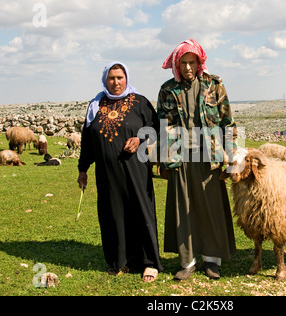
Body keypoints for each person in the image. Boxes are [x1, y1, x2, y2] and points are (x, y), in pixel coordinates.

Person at [157, 39, 237, 281]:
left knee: (210, 208)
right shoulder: (167, 89)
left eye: (192, 62)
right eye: (183, 62)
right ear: (176, 64)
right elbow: (163, 126)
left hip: (210, 158)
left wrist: (233, 159)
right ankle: (187, 261)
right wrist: (163, 160)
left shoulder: (214, 86)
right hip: (180, 157)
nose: (188, 67)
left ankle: (212, 260)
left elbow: (227, 123)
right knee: (184, 209)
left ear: (200, 61)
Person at [77, 61, 163, 282]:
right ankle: (119, 261)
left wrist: (139, 138)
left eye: (120, 78)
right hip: (107, 174)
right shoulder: (96, 105)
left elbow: (156, 128)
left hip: (136, 170)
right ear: (105, 80)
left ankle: (149, 263)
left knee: (141, 211)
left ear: (127, 78)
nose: (116, 82)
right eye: (111, 78)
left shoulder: (139, 102)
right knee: (112, 214)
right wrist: (83, 169)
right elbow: (87, 139)